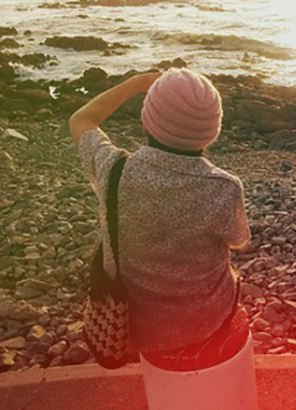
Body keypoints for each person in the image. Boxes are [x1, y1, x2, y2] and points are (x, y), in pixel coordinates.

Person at [70, 68, 251, 369]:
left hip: (132, 325)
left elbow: (81, 120)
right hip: (205, 320)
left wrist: (136, 84)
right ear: (212, 130)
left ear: (147, 119)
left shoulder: (113, 170)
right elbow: (239, 241)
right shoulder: (224, 187)